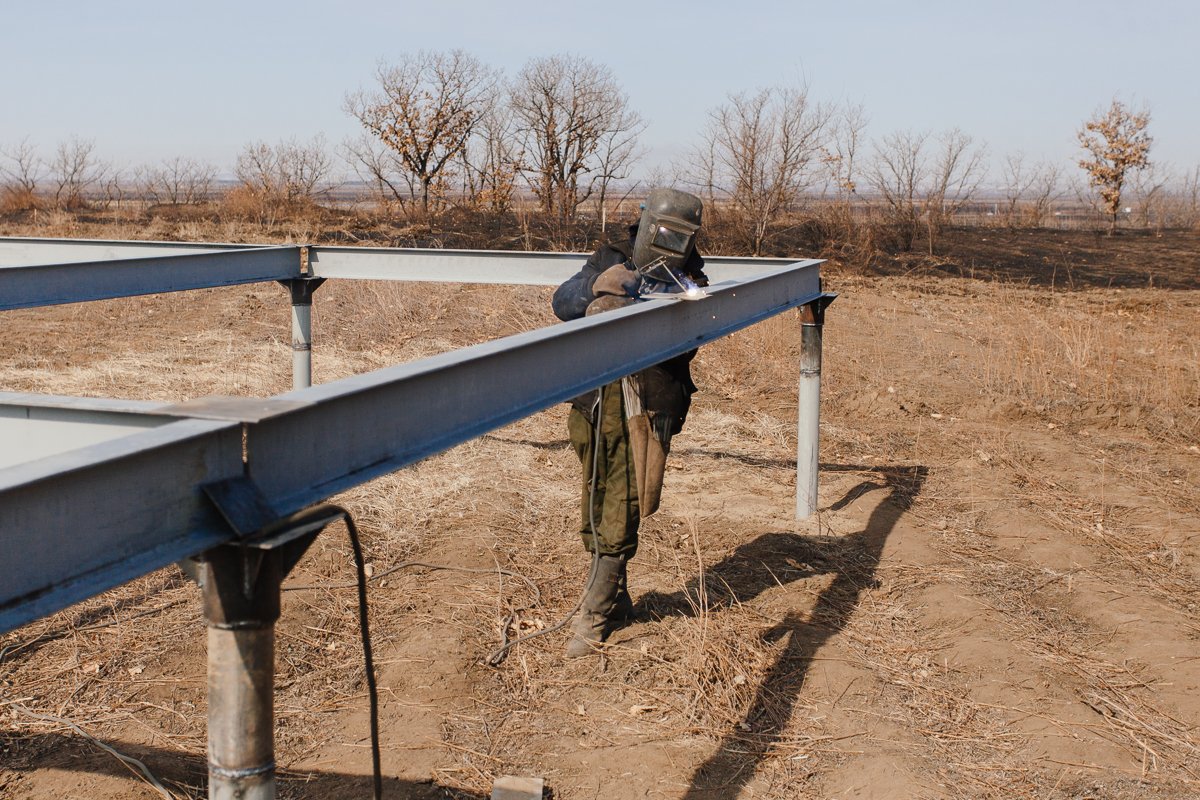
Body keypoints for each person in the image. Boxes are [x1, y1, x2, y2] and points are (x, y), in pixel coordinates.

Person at [551, 188, 708, 657]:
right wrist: (601, 288)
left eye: (677, 238)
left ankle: (595, 614)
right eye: (661, 234)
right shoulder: (610, 257)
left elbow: (690, 345)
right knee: (599, 496)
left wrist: (673, 307)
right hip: (594, 401)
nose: (667, 247)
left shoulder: (692, 277)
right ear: (642, 226)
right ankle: (618, 602)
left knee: (624, 500)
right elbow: (563, 303)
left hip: (647, 407)